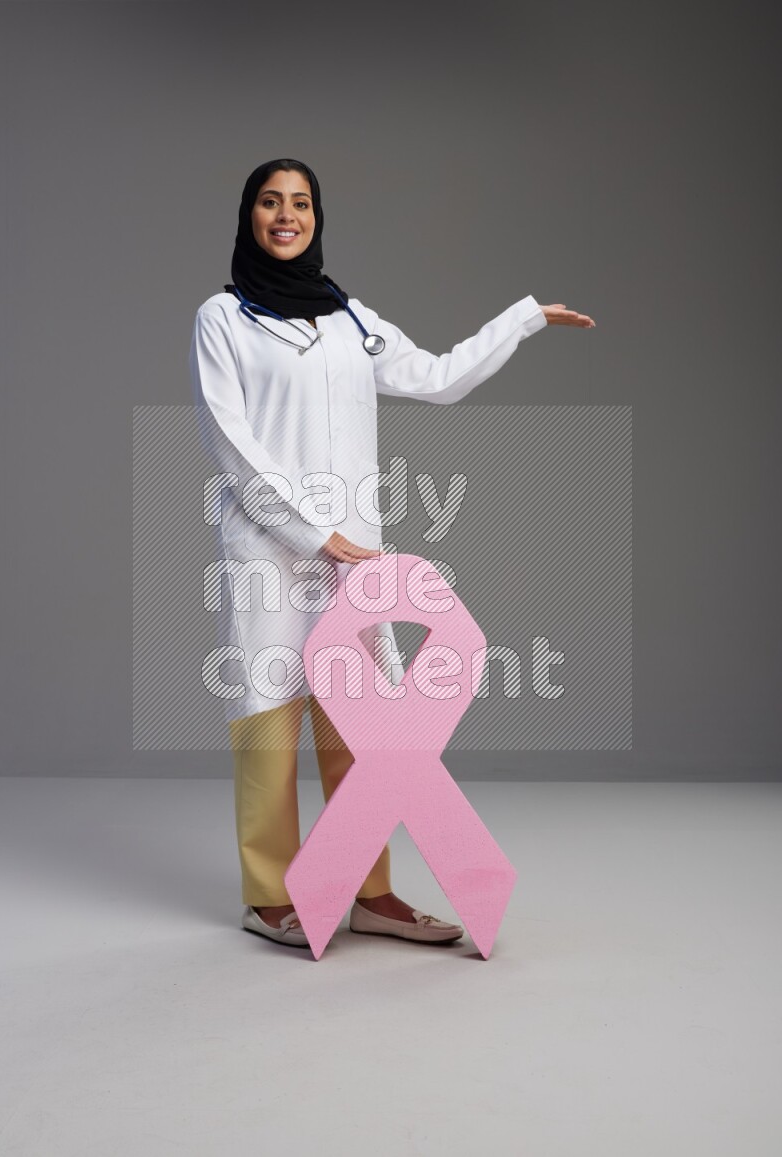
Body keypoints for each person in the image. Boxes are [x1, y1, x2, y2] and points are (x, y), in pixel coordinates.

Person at [189, 158, 595, 949]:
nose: (286, 215)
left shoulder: (347, 317)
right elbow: (228, 440)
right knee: (267, 719)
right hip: (271, 550)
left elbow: (437, 377)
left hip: (357, 561)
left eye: (300, 203)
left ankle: (369, 892)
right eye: (271, 203)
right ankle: (270, 895)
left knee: (364, 727)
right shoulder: (221, 318)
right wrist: (311, 530)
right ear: (248, 216)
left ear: (316, 217)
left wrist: (522, 320)